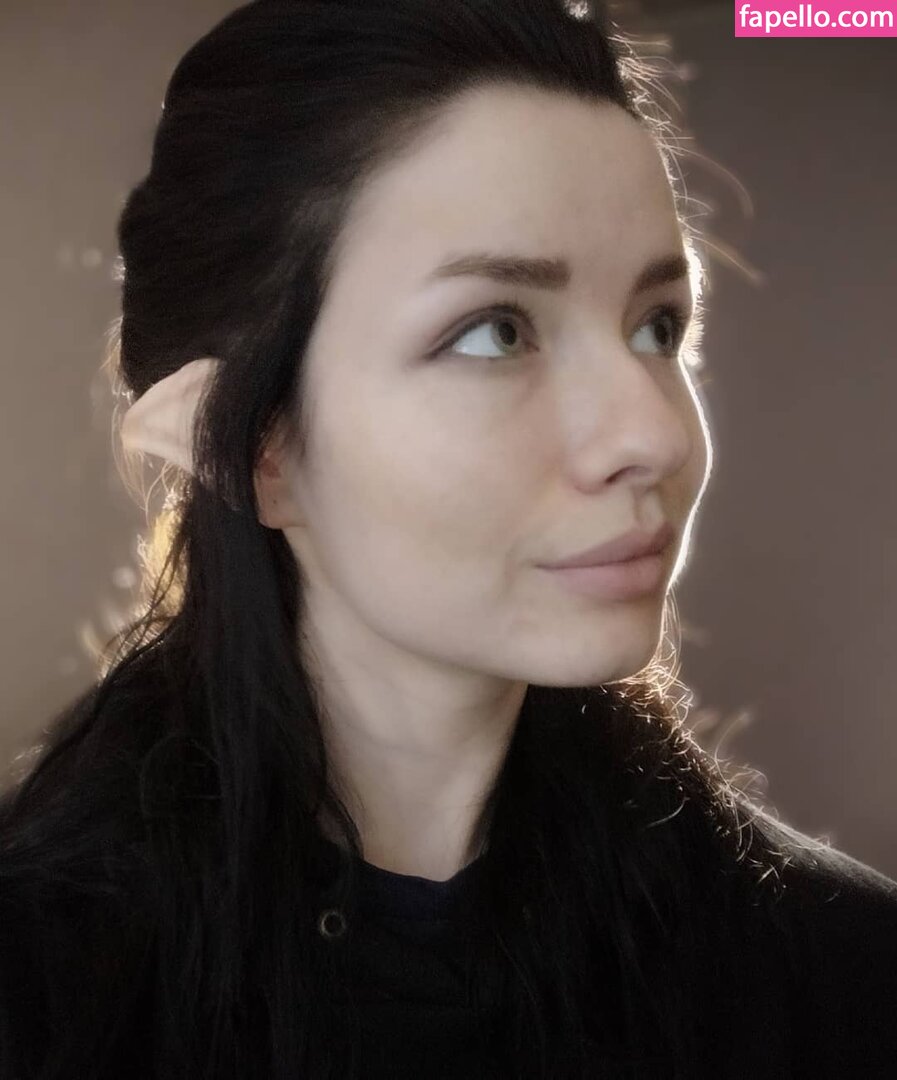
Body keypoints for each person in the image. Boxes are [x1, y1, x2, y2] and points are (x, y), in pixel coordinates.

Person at [1, 1, 895, 1077]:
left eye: (658, 327)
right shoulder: (42, 992)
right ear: (253, 447)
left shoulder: (837, 983)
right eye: (495, 332)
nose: (655, 435)